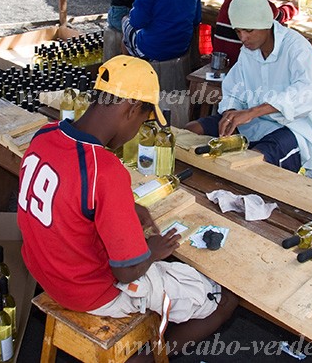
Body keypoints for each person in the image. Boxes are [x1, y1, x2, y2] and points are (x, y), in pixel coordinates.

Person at [17, 56, 238, 360]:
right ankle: (144, 358)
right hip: (91, 292)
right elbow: (126, 272)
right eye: (143, 121)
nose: (138, 130)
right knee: (224, 299)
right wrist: (153, 251)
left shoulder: (45, 136)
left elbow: (68, 199)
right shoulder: (104, 169)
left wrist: (125, 205)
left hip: (46, 273)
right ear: (132, 109)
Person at [186, 0, 312, 175]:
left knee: (251, 164)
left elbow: (305, 93)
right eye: (238, 31)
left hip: (294, 129)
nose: (243, 38)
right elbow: (234, 88)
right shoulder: (248, 51)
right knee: (190, 131)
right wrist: (230, 113)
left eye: (248, 30)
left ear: (266, 24)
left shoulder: (296, 48)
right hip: (255, 122)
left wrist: (253, 112)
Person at [212, 0, 298, 65]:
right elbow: (281, 16)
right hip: (239, 61)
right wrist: (293, 6)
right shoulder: (264, 6)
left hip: (220, 58)